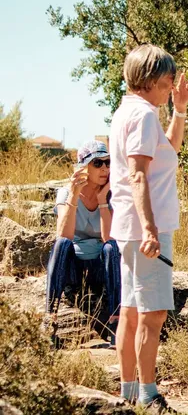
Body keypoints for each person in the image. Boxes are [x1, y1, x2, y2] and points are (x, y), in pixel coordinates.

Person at [109, 44, 188, 413]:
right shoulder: (143, 115)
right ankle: (148, 393)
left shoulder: (130, 111)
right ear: (152, 79)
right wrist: (150, 229)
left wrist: (179, 110)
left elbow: (169, 150)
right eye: (168, 81)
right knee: (153, 313)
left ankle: (128, 391)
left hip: (129, 226)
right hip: (146, 228)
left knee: (131, 308)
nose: (171, 85)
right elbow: (138, 175)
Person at [45, 140, 120, 344]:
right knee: (62, 245)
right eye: (97, 163)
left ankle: (115, 320)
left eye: (108, 162)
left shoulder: (113, 194)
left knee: (112, 248)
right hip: (73, 269)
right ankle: (49, 318)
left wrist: (103, 199)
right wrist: (74, 195)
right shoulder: (65, 193)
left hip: (98, 269)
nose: (105, 168)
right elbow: (64, 235)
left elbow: (108, 238)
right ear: (83, 167)